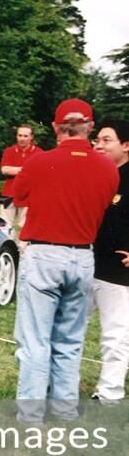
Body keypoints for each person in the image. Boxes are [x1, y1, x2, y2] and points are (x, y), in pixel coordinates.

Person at [11, 98, 118, 422]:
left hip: (45, 253)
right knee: (70, 340)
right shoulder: (108, 168)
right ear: (90, 127)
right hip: (83, 256)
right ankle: (65, 410)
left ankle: (30, 415)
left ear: (57, 127)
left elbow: (20, 197)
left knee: (35, 340)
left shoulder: (40, 162)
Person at [89, 119, 129, 401]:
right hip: (83, 264)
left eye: (106, 140)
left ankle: (109, 394)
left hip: (117, 272)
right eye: (97, 140)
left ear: (126, 145)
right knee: (70, 330)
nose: (98, 145)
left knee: (115, 336)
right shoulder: (97, 174)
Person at [0, 124, 40, 241]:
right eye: (19, 135)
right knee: (5, 224)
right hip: (9, 193)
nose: (22, 138)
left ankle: (23, 253)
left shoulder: (39, 153)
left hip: (29, 195)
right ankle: (6, 248)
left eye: (25, 136)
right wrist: (26, 170)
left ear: (31, 137)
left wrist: (14, 170)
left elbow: (39, 173)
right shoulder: (9, 151)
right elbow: (4, 169)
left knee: (25, 226)